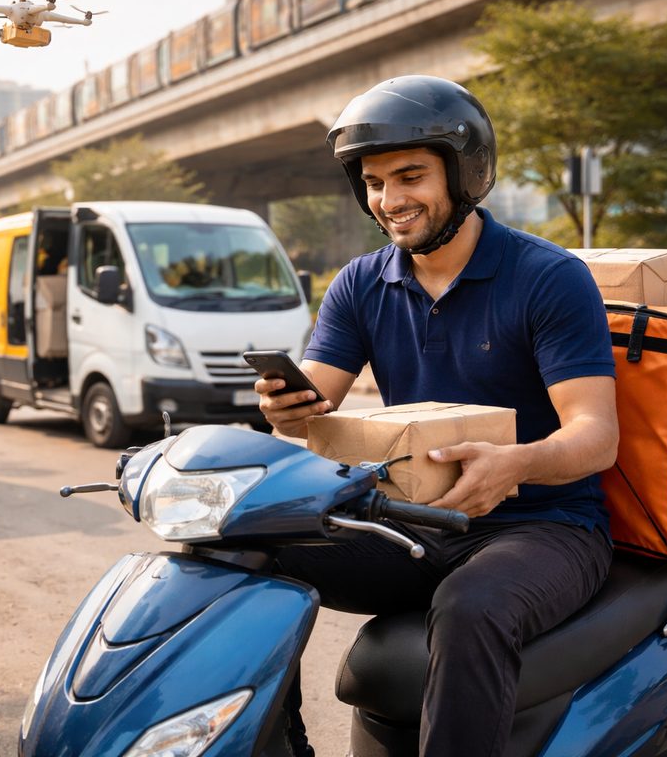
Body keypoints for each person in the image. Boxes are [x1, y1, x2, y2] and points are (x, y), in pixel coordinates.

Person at [255, 76, 620, 757]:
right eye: (373, 182)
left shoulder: (547, 277)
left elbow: (595, 436)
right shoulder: (362, 284)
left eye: (410, 176)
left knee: (471, 607)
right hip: (414, 521)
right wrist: (284, 407)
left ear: (465, 170)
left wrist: (518, 462)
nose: (390, 201)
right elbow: (313, 409)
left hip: (545, 527)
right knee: (253, 552)